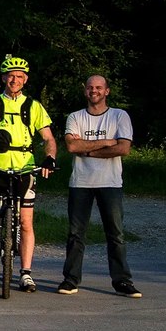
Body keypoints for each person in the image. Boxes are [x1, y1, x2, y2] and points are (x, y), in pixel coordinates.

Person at [0, 55, 58, 293]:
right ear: (4, 78)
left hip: (25, 169)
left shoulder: (34, 106)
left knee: (26, 222)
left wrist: (50, 158)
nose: (14, 80)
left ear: (25, 80)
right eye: (10, 76)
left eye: (19, 77)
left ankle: (25, 273)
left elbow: (48, 138)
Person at [59, 75, 140, 298]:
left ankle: (122, 281)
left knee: (115, 234)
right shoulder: (75, 117)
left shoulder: (119, 116)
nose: (94, 91)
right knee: (76, 234)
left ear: (107, 91)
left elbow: (123, 148)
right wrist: (106, 142)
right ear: (85, 91)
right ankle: (70, 279)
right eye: (90, 87)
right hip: (80, 183)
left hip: (110, 183)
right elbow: (71, 145)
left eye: (98, 87)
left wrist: (89, 151)